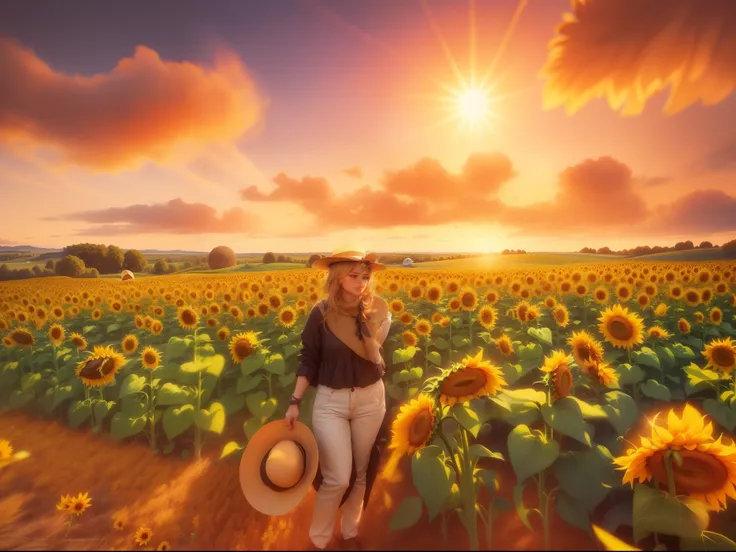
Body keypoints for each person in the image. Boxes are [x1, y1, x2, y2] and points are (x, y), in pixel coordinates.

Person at [285, 250, 392, 551]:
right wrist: (295, 401)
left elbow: (378, 355)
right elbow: (308, 359)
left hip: (371, 399)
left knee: (360, 473)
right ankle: (319, 541)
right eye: (354, 276)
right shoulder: (320, 314)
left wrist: (381, 326)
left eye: (366, 277)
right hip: (331, 402)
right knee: (338, 477)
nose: (361, 283)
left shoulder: (377, 311)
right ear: (337, 277)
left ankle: (349, 533)